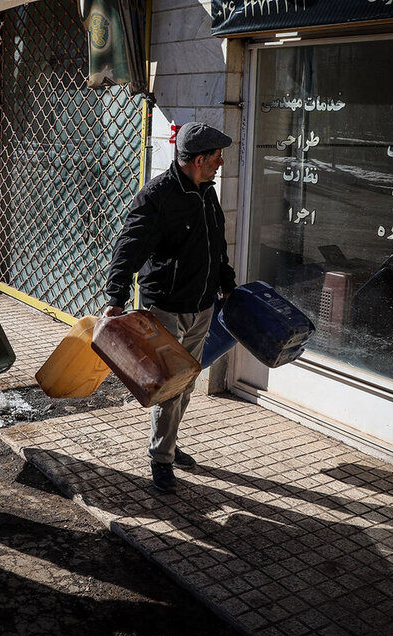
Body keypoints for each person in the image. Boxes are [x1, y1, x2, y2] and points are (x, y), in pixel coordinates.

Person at [102, 122, 236, 493]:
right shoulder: (157, 196)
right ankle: (161, 457)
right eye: (216, 156)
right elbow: (129, 246)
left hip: (201, 304)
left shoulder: (206, 192)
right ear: (197, 160)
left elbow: (216, 244)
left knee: (187, 383)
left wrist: (226, 283)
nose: (221, 162)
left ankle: (169, 444)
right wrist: (117, 296)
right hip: (166, 306)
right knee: (169, 387)